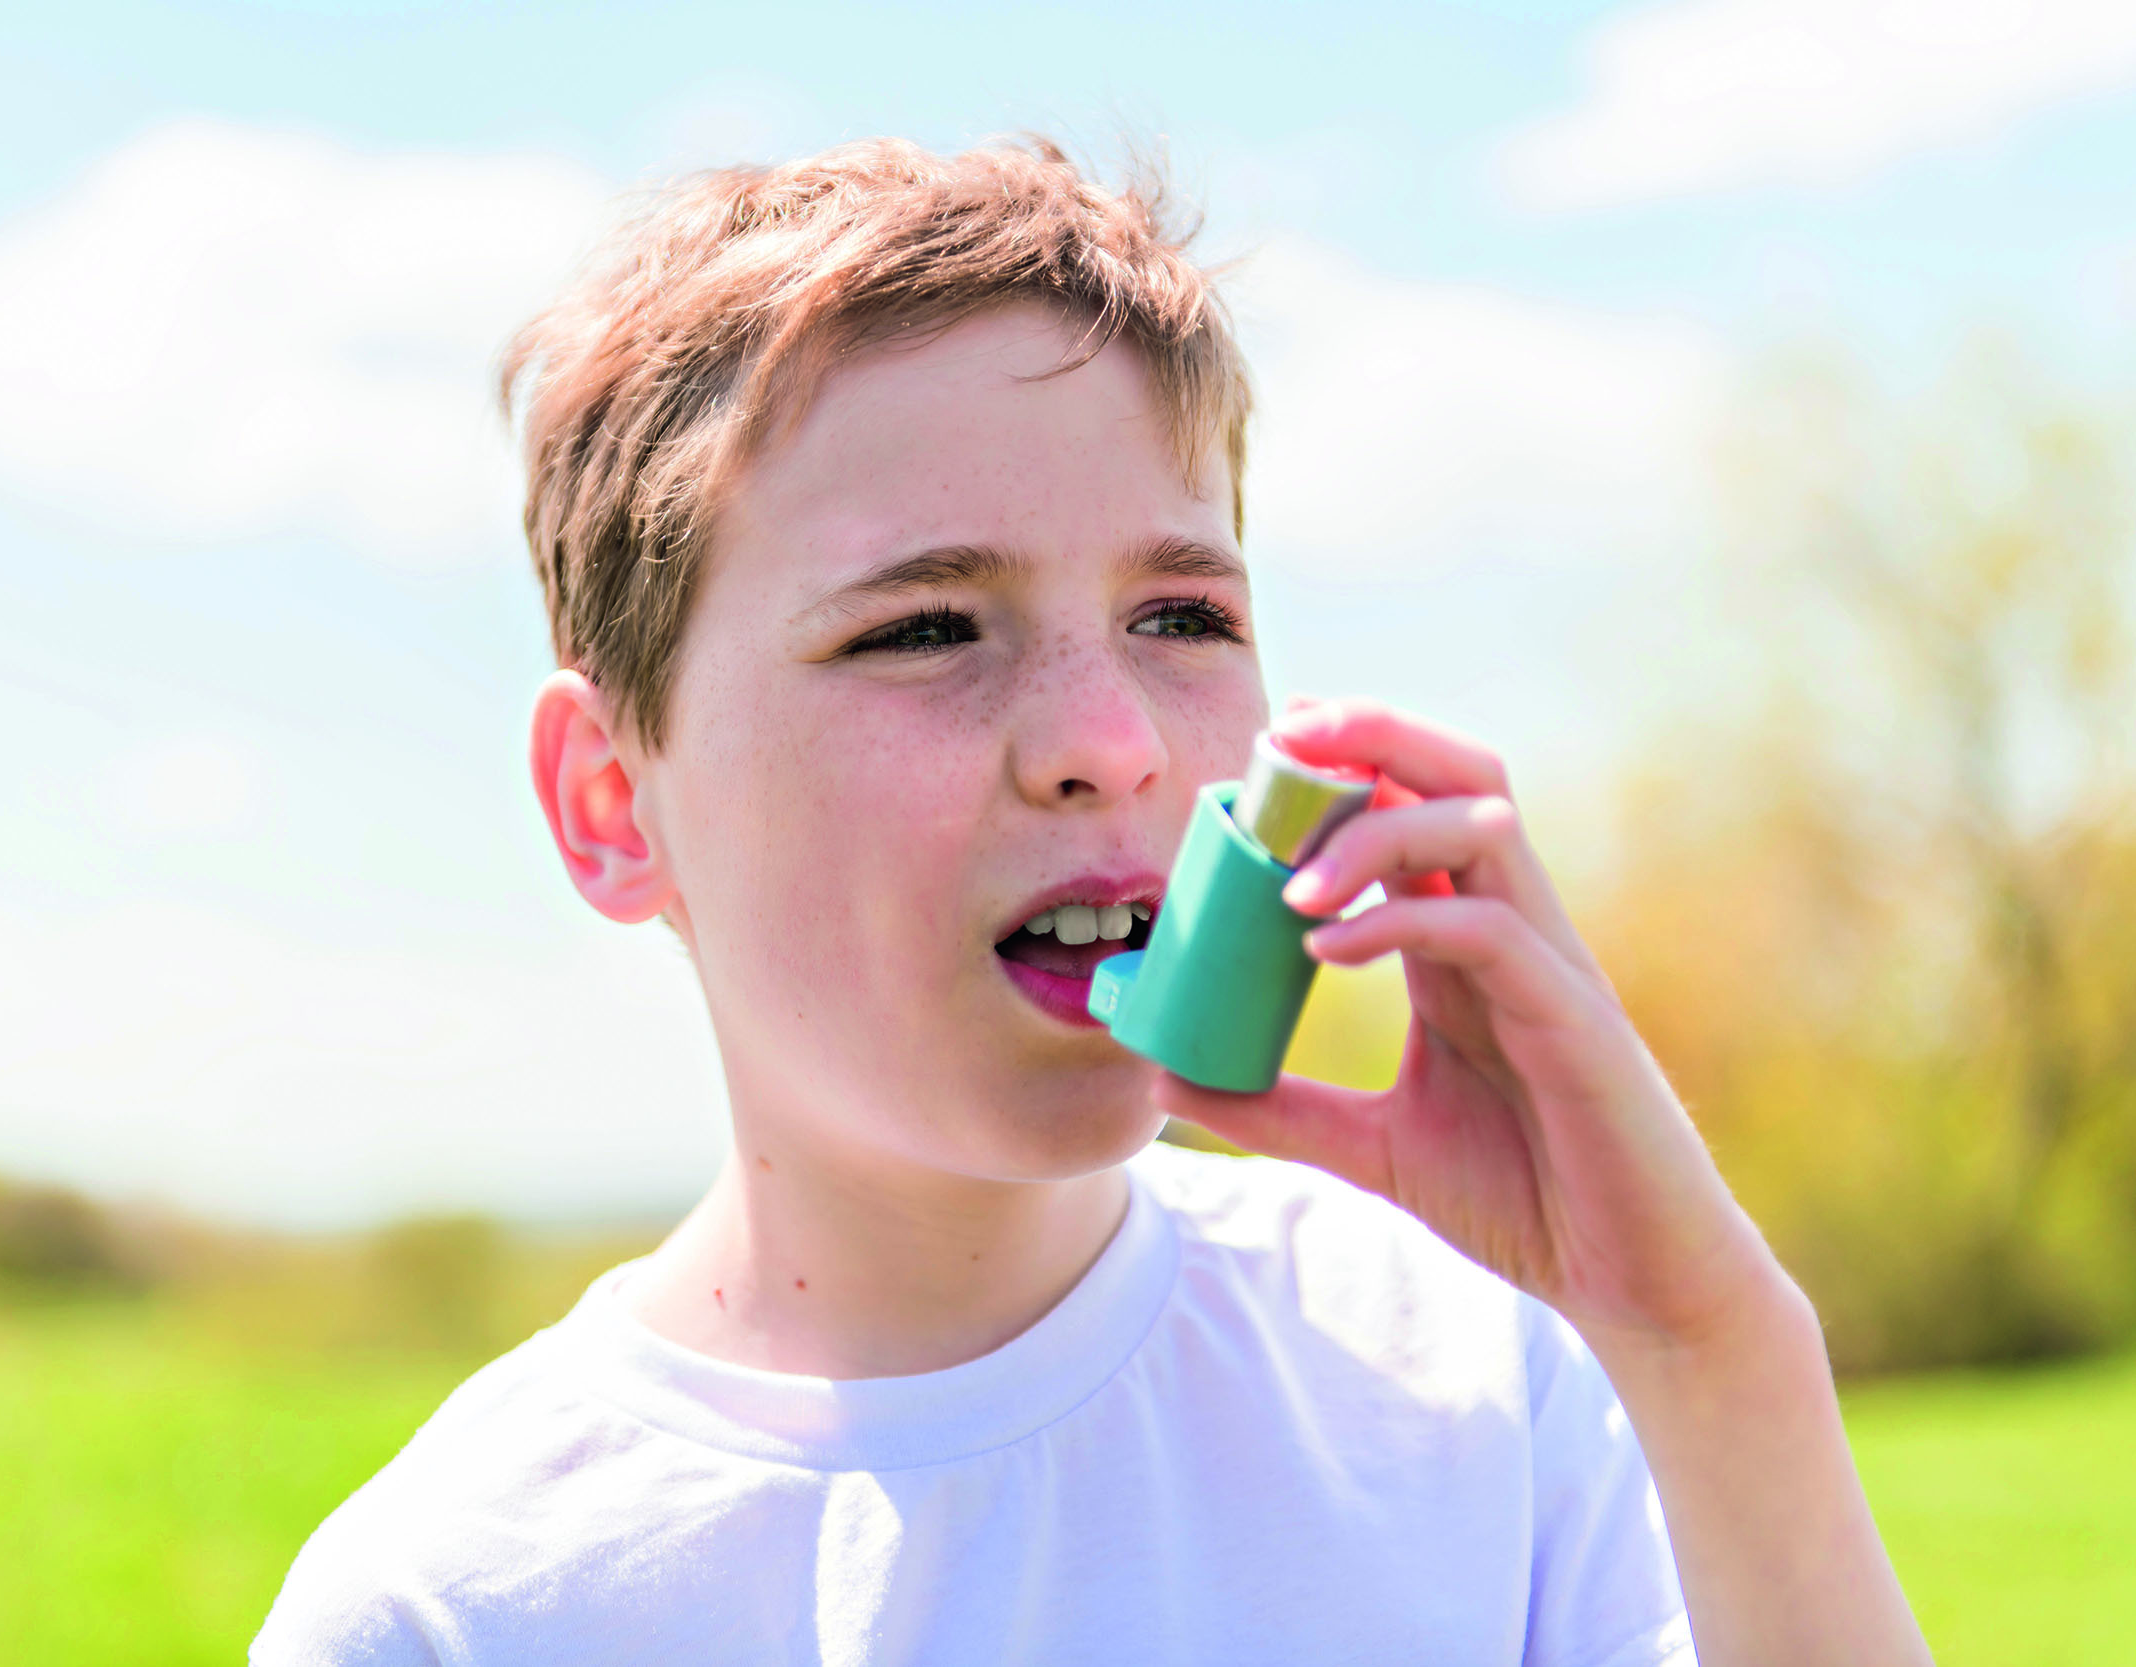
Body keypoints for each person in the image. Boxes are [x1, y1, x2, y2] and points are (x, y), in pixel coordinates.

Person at [252, 138, 1930, 1666]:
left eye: (1183, 616)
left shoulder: (1477, 1381)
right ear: (615, 802)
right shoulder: (458, 1606)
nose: (1107, 743)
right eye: (923, 628)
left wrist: (1709, 1344)